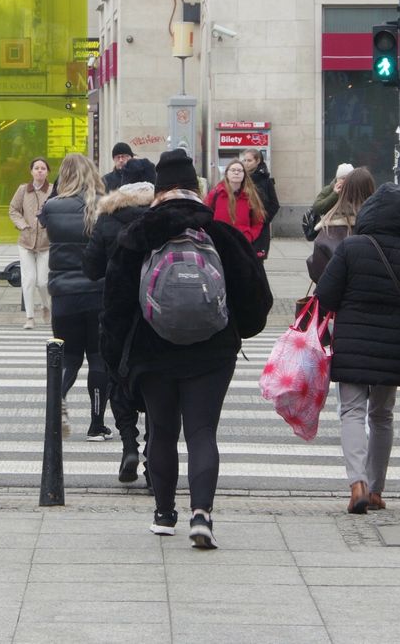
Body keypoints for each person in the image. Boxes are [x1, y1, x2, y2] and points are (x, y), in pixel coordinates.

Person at [101, 149, 271, 549]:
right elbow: (257, 301)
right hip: (212, 352)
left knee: (161, 430)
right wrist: (235, 331)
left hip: (152, 351)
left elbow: (113, 307)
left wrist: (118, 364)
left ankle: (163, 514)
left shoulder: (136, 235)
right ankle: (202, 514)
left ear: (158, 191)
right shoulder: (222, 233)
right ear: (196, 188)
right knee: (201, 431)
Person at [314, 183, 400, 514]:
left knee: (352, 411)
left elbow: (326, 296)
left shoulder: (351, 248)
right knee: (382, 415)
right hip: (392, 347)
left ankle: (357, 484)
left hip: (351, 343)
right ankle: (376, 491)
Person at [83, 155, 156, 485]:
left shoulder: (109, 216)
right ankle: (154, 456)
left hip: (117, 311)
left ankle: (129, 444)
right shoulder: (162, 215)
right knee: (160, 385)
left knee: (116, 378)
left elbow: (92, 268)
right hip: (157, 313)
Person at [40, 153, 112, 441]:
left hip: (63, 292)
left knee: (69, 356)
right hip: (97, 291)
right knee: (97, 358)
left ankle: (58, 402)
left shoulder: (51, 207)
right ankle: (97, 424)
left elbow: (46, 236)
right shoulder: (102, 206)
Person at [307, 167, 375, 283]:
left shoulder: (326, 235)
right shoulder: (380, 227)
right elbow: (318, 207)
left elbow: (318, 273)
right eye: (342, 178)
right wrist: (334, 194)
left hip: (339, 297)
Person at [8, 158, 53, 329]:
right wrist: (22, 225)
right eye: (36, 168)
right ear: (31, 171)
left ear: (47, 172)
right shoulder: (22, 190)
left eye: (43, 168)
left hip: (45, 242)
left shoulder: (52, 190)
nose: (40, 171)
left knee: (43, 281)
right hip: (26, 241)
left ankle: (45, 305)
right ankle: (29, 317)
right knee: (28, 280)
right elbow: (13, 209)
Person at [205, 159, 266, 253]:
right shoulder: (215, 194)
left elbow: (258, 221)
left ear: (244, 175)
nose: (236, 173)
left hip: (242, 245)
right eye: (233, 170)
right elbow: (205, 216)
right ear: (227, 174)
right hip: (220, 244)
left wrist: (249, 236)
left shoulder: (250, 196)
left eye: (240, 170)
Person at [239, 149, 280, 258]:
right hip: (243, 226)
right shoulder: (240, 178)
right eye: (245, 160)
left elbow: (274, 204)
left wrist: (263, 220)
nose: (246, 163)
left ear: (257, 161)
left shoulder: (266, 180)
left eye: (249, 160)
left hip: (260, 229)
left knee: (257, 262)